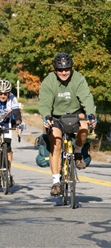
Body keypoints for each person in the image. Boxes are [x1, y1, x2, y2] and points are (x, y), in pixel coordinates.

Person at [39, 52, 97, 197]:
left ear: (71, 68)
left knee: (84, 128)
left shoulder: (78, 79)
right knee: (56, 143)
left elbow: (86, 98)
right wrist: (46, 116)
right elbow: (45, 102)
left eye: (67, 69)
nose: (64, 72)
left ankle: (77, 152)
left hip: (75, 114)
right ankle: (56, 182)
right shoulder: (49, 81)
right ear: (55, 70)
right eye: (60, 70)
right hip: (56, 117)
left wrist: (91, 114)